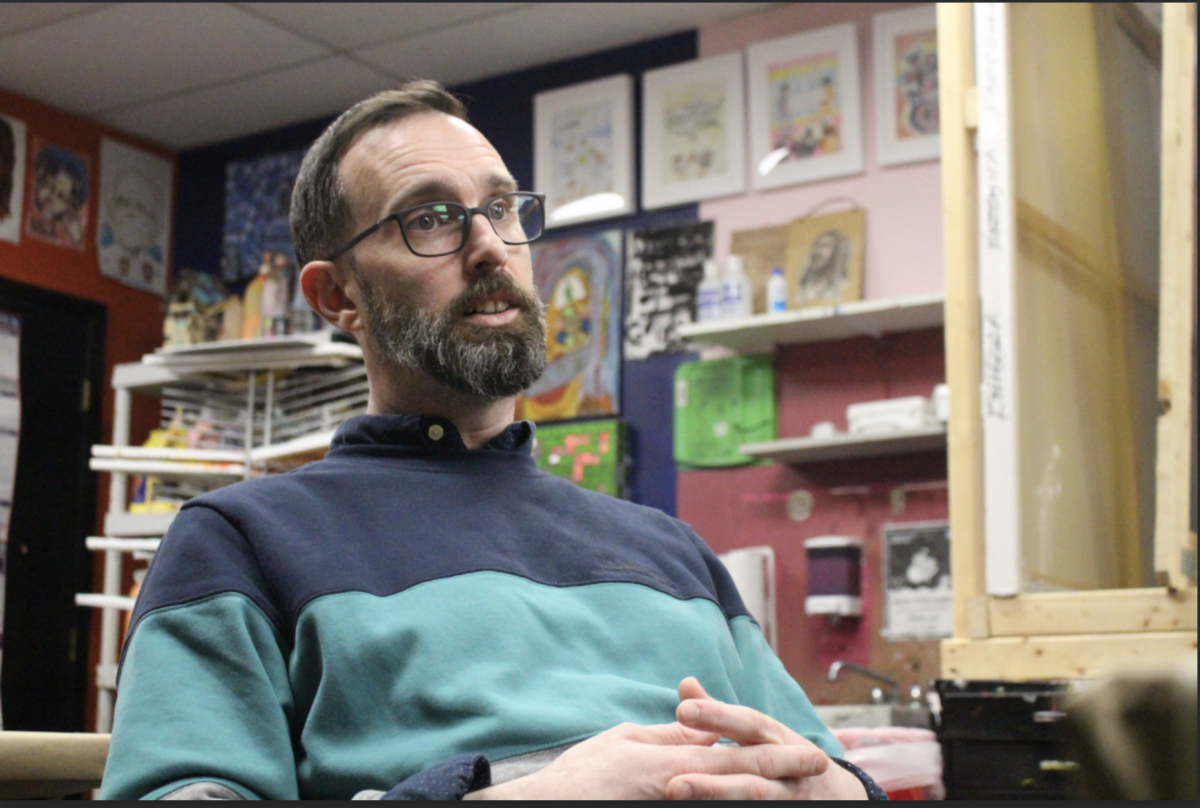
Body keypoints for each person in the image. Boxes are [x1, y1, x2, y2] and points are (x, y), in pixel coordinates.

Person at [101, 81, 883, 801]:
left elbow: (833, 770)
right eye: (430, 219)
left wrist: (827, 790)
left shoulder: (673, 554)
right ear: (338, 297)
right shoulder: (238, 543)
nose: (489, 246)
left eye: (502, 208)